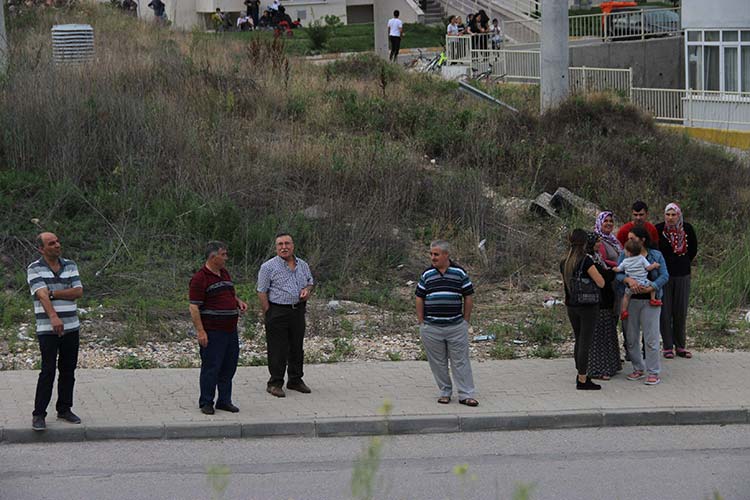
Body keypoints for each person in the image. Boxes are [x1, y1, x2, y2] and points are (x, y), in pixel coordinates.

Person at [27, 232, 84, 431]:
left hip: (71, 327)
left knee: (68, 370)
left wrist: (53, 293)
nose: (57, 245)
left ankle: (64, 408)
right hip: (47, 328)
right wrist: (53, 316)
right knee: (48, 370)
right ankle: (39, 414)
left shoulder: (70, 265)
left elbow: (77, 292)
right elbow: (41, 295)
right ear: (41, 249)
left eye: (58, 241)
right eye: (51, 243)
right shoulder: (35, 269)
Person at [415, 240, 478, 406]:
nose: (433, 257)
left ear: (446, 255)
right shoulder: (427, 274)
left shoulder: (459, 273)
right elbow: (419, 297)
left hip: (456, 326)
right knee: (438, 362)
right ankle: (445, 392)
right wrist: (421, 322)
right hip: (432, 327)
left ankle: (466, 394)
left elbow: (468, 295)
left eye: (436, 254)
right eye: (431, 254)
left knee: (460, 361)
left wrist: (466, 320)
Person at [189, 241, 247, 415]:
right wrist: (201, 331)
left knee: (229, 366)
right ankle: (206, 401)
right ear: (213, 257)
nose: (226, 257)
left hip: (230, 330)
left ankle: (224, 400)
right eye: (223, 254)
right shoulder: (200, 278)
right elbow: (193, 307)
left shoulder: (224, 273)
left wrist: (237, 301)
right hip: (213, 331)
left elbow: (230, 292)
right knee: (211, 367)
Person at [257, 233, 314, 398]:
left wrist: (307, 291)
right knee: (278, 349)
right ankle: (275, 383)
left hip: (297, 310)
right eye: (280, 244)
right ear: (276, 248)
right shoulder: (268, 267)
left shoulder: (302, 264)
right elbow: (261, 291)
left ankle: (295, 380)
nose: (284, 247)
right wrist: (269, 311)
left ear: (293, 245)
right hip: (277, 311)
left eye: (287, 243)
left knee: (296, 347)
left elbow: (309, 282)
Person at [616, 226, 669, 386]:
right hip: (631, 300)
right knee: (631, 337)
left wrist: (652, 286)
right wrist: (627, 280)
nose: (629, 241)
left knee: (651, 337)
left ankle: (653, 372)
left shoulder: (655, 255)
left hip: (650, 300)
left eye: (632, 238)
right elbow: (618, 273)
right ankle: (638, 367)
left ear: (642, 240)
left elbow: (664, 275)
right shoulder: (624, 255)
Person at [561, 229, 606, 390]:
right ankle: (582, 378)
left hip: (571, 305)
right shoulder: (585, 261)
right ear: (585, 242)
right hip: (588, 306)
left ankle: (579, 370)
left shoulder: (564, 261)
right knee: (586, 342)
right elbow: (601, 282)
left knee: (579, 338)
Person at [656, 202, 698, 359]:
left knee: (680, 310)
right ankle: (667, 346)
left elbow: (693, 249)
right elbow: (654, 249)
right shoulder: (659, 229)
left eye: (674, 214)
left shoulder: (687, 229)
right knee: (665, 311)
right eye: (668, 214)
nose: (671, 217)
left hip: (682, 274)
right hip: (664, 275)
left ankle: (680, 345)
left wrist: (684, 262)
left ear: (679, 215)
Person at [585, 233, 621, 380]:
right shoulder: (588, 260)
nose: (600, 244)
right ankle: (598, 369)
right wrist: (612, 272)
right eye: (597, 242)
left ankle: (610, 365)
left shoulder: (596, 257)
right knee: (599, 337)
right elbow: (602, 279)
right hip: (598, 303)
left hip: (606, 301)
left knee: (607, 334)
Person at [614, 239, 662, 320]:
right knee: (653, 286)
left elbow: (619, 270)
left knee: (626, 297)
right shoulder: (641, 258)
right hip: (644, 282)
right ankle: (653, 299)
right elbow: (648, 268)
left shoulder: (625, 261)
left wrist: (614, 268)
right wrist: (654, 265)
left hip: (631, 285)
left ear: (629, 252)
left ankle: (624, 311)